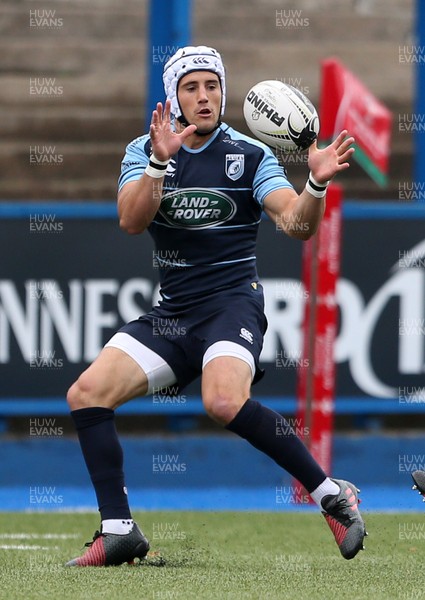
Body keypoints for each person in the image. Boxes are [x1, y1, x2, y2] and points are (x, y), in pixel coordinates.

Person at [65, 45, 366, 567]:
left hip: (231, 305)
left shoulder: (250, 155)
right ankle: (118, 531)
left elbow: (296, 225)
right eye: (191, 87)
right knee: (87, 394)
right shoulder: (143, 150)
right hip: (172, 312)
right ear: (173, 97)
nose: (204, 97)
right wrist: (160, 162)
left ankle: (331, 496)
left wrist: (314, 183)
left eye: (212, 86)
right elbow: (132, 220)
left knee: (223, 400)